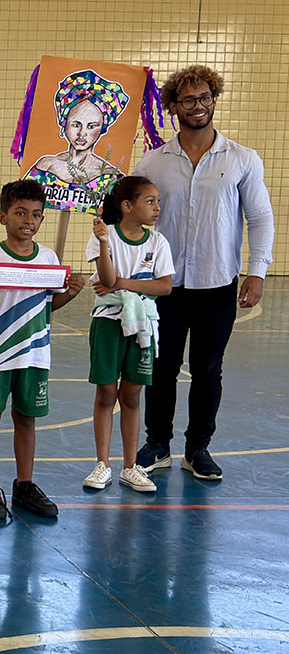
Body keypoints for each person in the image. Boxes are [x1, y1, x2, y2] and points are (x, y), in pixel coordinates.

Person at [134, 65, 274, 482]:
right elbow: (136, 220)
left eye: (206, 98)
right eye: (189, 100)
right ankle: (158, 443)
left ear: (215, 99)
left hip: (217, 283)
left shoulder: (242, 159)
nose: (199, 107)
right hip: (165, 285)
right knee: (161, 367)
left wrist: (257, 271)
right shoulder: (153, 161)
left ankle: (199, 449)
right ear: (173, 106)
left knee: (208, 369)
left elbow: (260, 218)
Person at [0, 179, 84, 521]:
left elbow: (47, 306)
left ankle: (24, 485)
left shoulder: (48, 258)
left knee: (27, 419)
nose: (28, 220)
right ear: (3, 216)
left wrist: (70, 293)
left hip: (34, 354)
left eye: (36, 214)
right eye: (20, 213)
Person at [83, 176, 174, 493]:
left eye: (157, 201)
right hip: (108, 321)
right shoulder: (102, 236)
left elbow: (163, 286)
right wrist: (105, 243)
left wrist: (123, 284)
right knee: (107, 394)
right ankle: (102, 464)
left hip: (143, 325)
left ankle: (130, 466)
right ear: (126, 206)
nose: (157, 207)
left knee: (132, 396)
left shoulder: (157, 242)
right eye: (150, 201)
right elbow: (105, 277)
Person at [23, 70, 131, 213]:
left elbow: (120, 218)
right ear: (64, 123)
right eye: (76, 124)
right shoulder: (45, 166)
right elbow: (22, 203)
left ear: (102, 129)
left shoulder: (112, 178)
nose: (82, 133)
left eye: (91, 126)